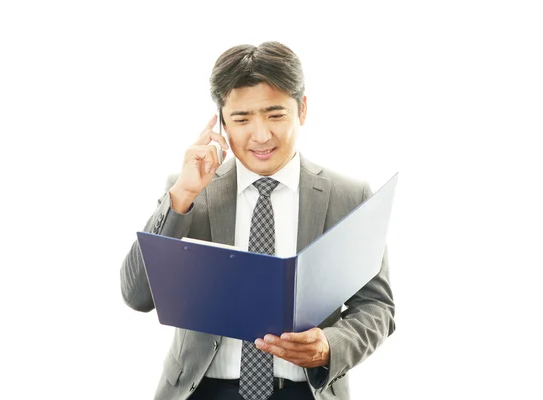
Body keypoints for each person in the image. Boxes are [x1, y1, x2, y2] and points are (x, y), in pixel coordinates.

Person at [120, 41, 395, 400]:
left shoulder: (348, 196)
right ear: (221, 120)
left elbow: (377, 307)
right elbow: (137, 295)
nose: (261, 135)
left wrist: (328, 346)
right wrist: (182, 196)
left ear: (303, 109)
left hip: (303, 391)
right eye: (242, 119)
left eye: (275, 114)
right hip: (203, 391)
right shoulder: (189, 189)